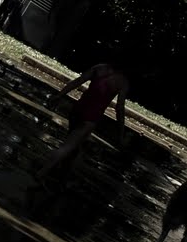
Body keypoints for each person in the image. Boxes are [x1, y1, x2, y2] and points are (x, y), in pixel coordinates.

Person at [33, 57, 129, 185]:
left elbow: (77, 82)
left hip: (78, 110)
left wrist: (59, 95)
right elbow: (119, 109)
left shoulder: (99, 68)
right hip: (90, 117)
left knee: (75, 147)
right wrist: (121, 132)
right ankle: (43, 172)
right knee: (69, 146)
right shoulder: (122, 82)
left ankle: (61, 177)